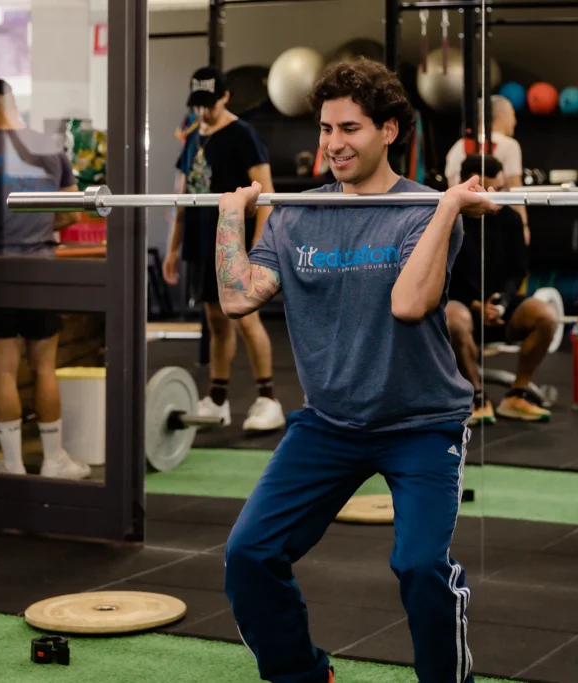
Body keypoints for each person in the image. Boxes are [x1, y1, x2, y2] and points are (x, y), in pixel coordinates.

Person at [216, 58, 498, 683]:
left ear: (389, 130)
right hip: (329, 423)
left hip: (422, 423)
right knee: (248, 553)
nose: (333, 144)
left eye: (351, 129)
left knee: (421, 566)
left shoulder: (424, 210)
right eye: (325, 129)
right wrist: (230, 217)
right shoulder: (296, 214)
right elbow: (238, 296)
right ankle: (300, 674)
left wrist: (449, 204)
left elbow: (409, 304)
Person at [0, 75, 90, 480]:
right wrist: (38, 226)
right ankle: (54, 460)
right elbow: (74, 212)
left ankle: (14, 464)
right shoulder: (50, 147)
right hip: (42, 268)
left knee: (5, 371)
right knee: (44, 367)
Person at [163, 66, 285, 433]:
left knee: (246, 319)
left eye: (210, 104)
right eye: (199, 105)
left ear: (226, 97)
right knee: (215, 322)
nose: (204, 112)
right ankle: (217, 400)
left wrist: (258, 247)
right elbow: (181, 197)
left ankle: (268, 399)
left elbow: (266, 194)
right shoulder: (191, 139)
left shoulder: (242, 135)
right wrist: (172, 250)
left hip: (236, 242)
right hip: (201, 243)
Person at [446, 154, 557, 425]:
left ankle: (517, 394)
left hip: (500, 306)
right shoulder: (447, 219)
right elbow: (441, 275)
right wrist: (475, 305)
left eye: (499, 189)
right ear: (469, 184)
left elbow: (518, 269)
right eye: (488, 189)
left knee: (546, 317)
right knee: (454, 320)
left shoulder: (509, 218)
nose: (495, 196)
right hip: (463, 305)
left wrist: (503, 302)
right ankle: (476, 397)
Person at [444, 94, 531, 244]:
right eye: (513, 115)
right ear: (501, 115)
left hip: (462, 227)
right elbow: (515, 188)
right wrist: (523, 225)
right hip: (499, 227)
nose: (515, 121)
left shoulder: (456, 148)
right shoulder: (510, 146)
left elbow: (451, 189)